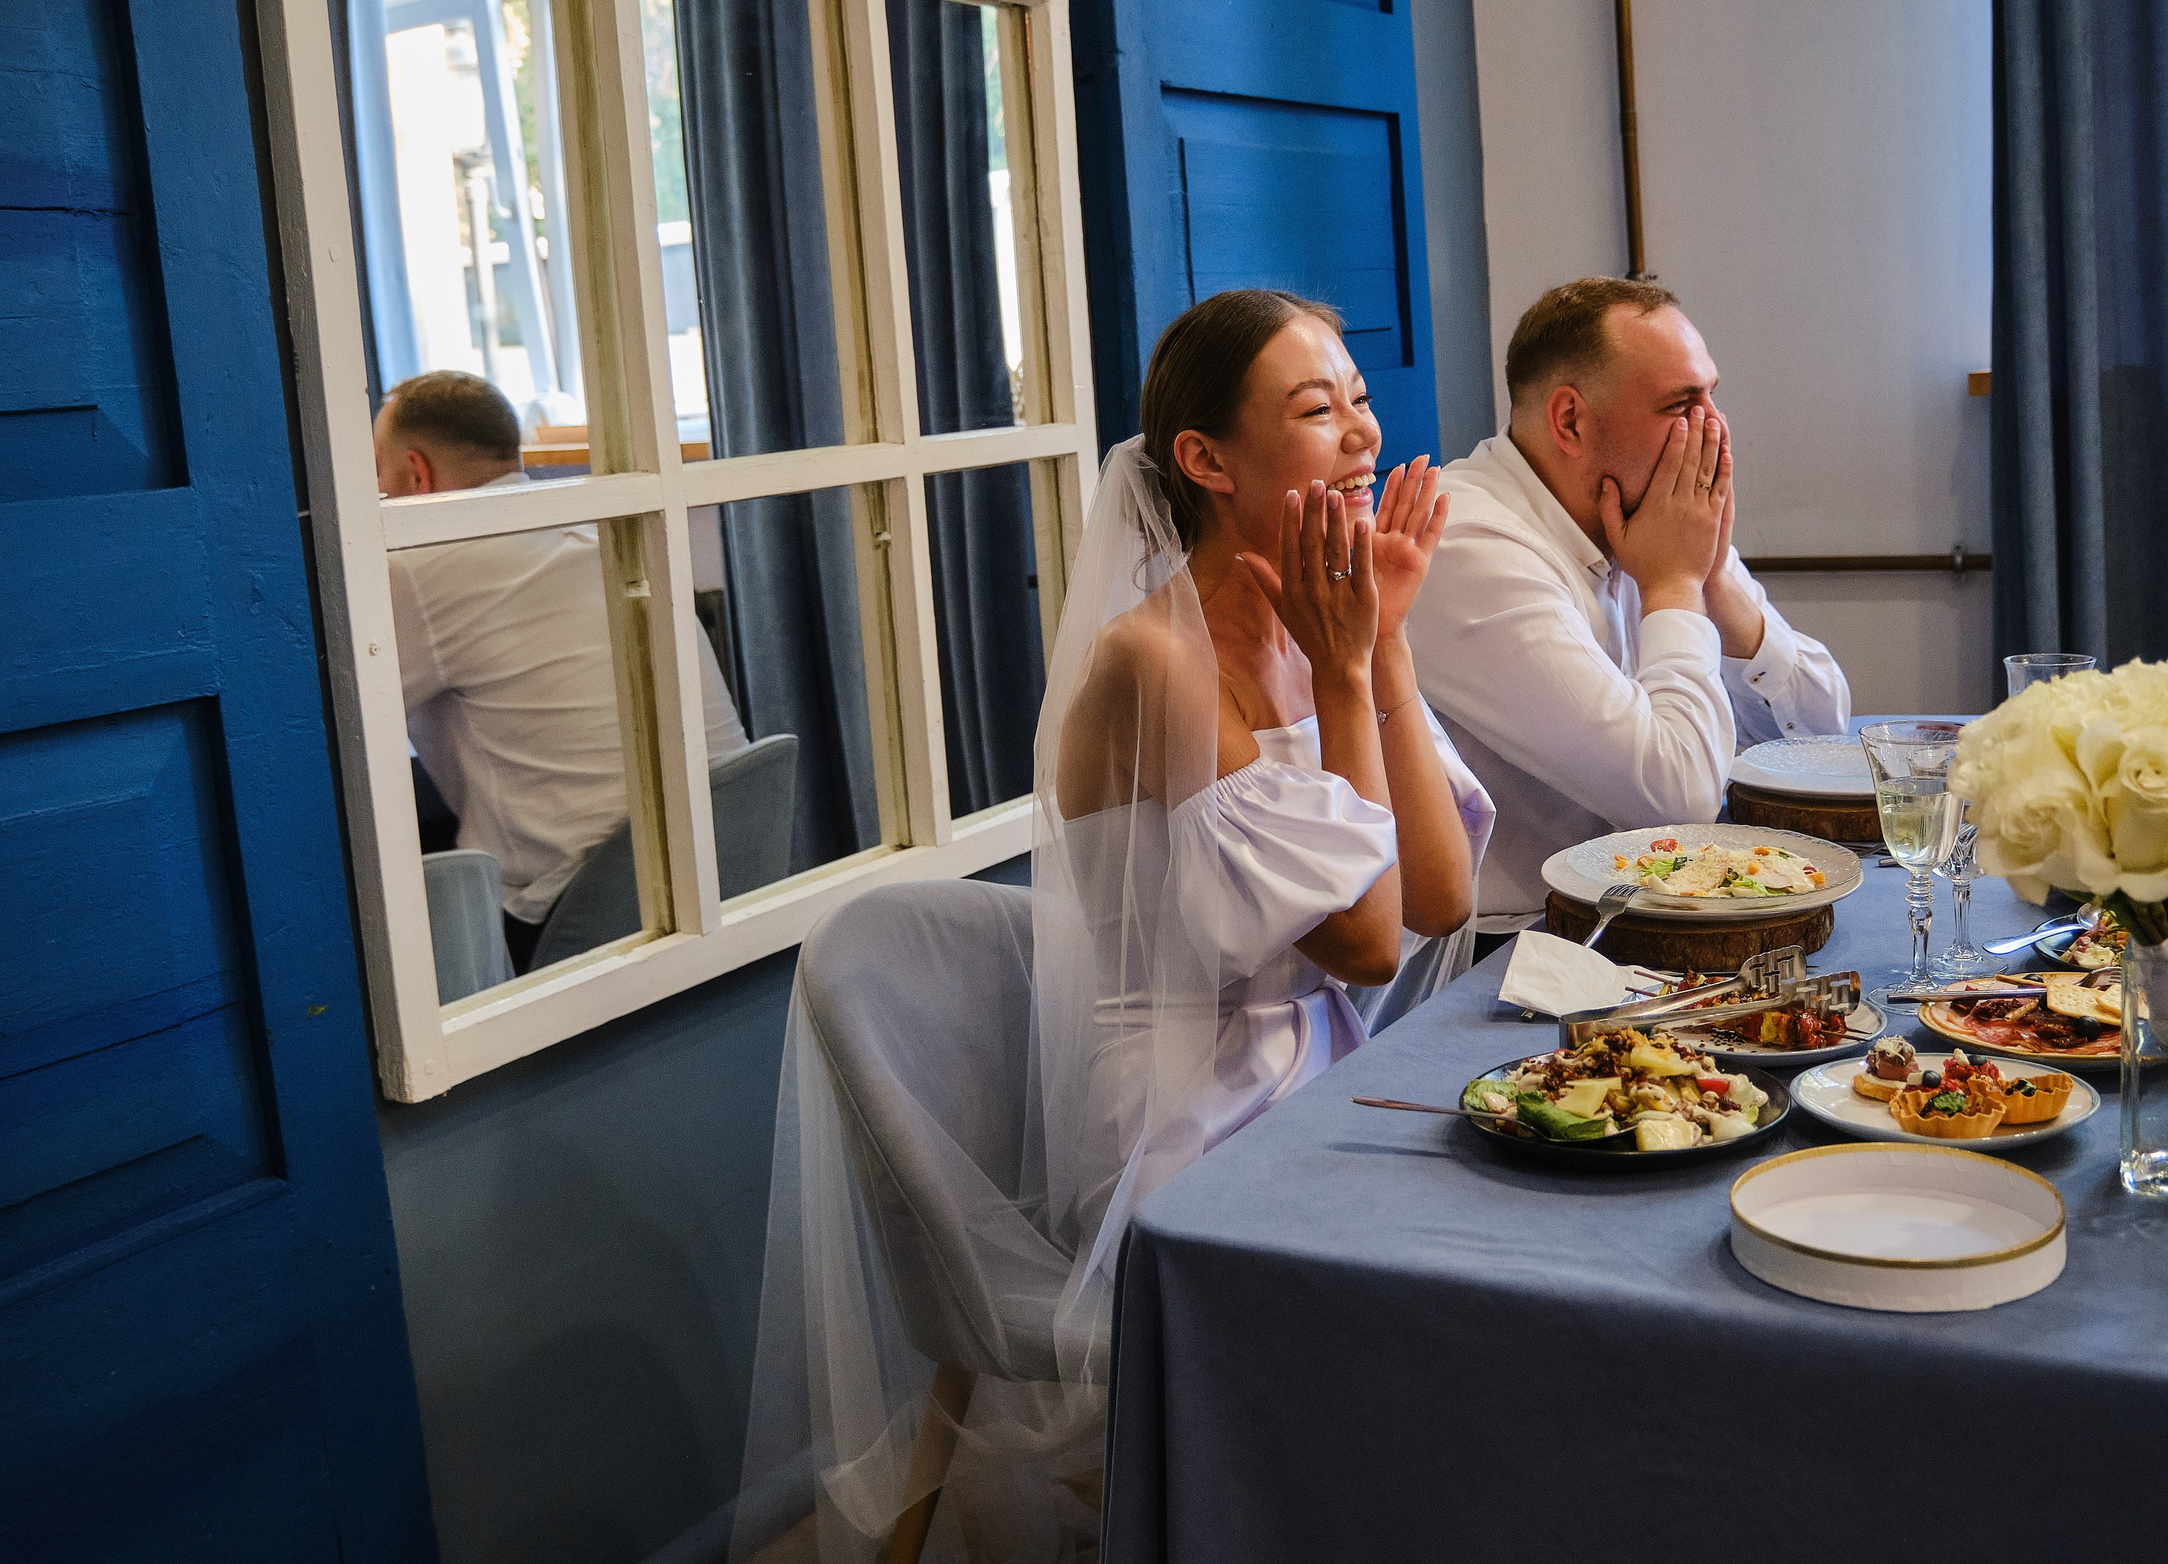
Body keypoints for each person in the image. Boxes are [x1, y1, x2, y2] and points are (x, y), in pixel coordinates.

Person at [743, 292, 1493, 1561]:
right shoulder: (1155, 661)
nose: (1364, 436)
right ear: (1205, 461)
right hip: (1186, 1120)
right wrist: (1354, 669)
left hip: (1322, 1080)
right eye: (1317, 412)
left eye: (1360, 400)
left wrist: (1387, 651)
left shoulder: (1327, 625)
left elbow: (1441, 899)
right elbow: (1367, 948)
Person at [1408, 278, 1850, 938]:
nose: (1716, 430)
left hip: (1634, 914)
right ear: (1570, 420)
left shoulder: (1655, 516)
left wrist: (1716, 590)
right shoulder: (1467, 540)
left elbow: (1821, 734)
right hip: (1507, 953)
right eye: (1682, 404)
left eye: (1713, 397)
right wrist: (1674, 583)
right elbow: (1679, 794)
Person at [373, 371, 747, 970]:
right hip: (729, 863)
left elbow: (322, 719)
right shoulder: (605, 530)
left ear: (417, 474)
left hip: (587, 910)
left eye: (378, 479)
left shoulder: (419, 565)